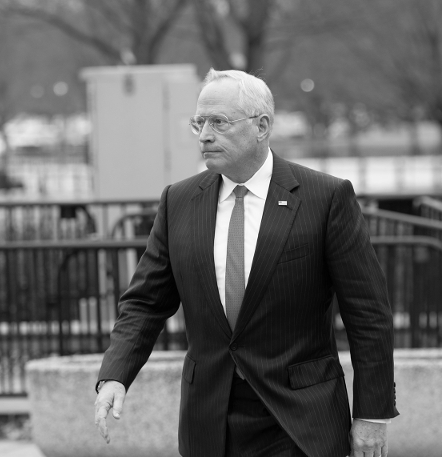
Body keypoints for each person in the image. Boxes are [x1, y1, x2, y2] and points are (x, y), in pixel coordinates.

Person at [94, 69, 398, 457]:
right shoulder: (178, 202)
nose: (204, 135)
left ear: (261, 126)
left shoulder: (325, 198)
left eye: (218, 122)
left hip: (301, 421)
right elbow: (145, 302)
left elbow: (367, 313)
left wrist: (372, 414)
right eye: (199, 123)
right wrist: (115, 375)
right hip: (210, 421)